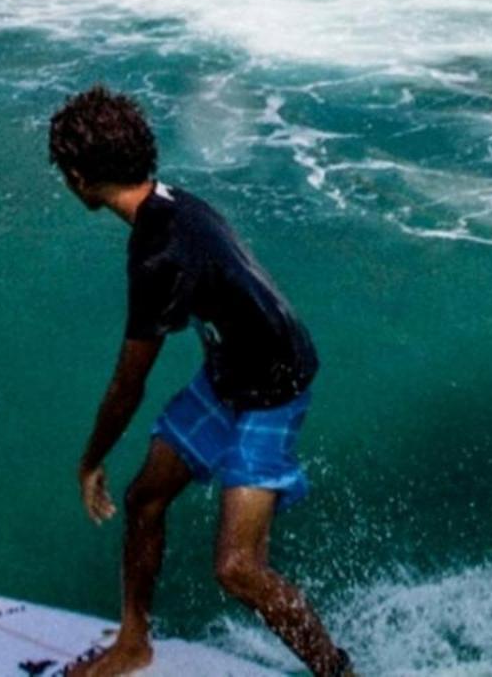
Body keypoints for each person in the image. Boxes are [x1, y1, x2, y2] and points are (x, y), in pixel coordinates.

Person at [48, 86, 352, 677]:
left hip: (273, 389)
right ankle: (133, 642)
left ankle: (340, 674)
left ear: (80, 177)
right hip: (230, 372)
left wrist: (90, 461)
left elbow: (128, 384)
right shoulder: (171, 203)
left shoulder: (157, 253)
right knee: (145, 499)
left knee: (237, 567)